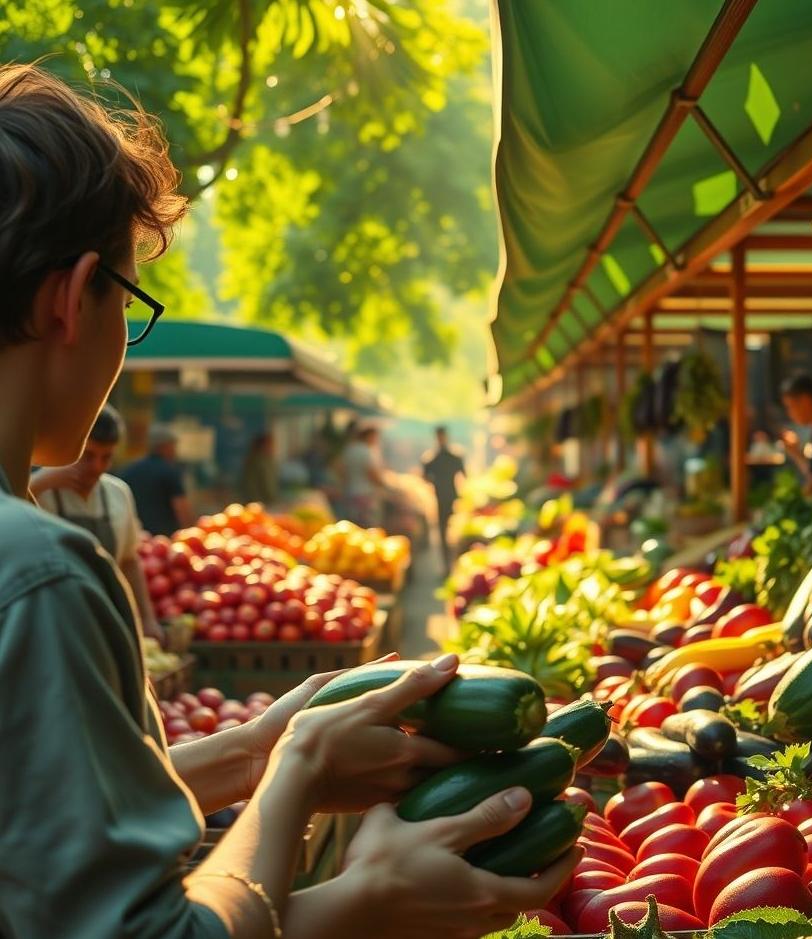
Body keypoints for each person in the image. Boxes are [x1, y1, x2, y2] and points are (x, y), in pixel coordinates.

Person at [0, 64, 576, 939]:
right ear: (75, 298)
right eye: (133, 301)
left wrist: (248, 750)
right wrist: (310, 793)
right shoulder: (40, 574)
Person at [30, 404, 164, 642]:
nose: (96, 468)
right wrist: (38, 483)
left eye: (106, 458)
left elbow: (129, 561)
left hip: (104, 622)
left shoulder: (118, 493)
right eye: (88, 456)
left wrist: (147, 619)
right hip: (50, 625)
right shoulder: (38, 491)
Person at [120, 423, 195, 536]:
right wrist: (192, 535)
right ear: (164, 446)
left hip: (137, 538)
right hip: (165, 541)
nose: (175, 451)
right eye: (173, 445)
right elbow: (181, 509)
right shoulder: (169, 472)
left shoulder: (129, 471)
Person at [422, 425, 466, 569]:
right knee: (444, 532)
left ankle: (452, 564)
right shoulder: (433, 458)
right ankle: (447, 565)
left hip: (451, 497)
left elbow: (464, 476)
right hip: (441, 498)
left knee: (452, 532)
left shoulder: (450, 456)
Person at [341, 426, 385, 528]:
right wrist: (383, 484)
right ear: (369, 436)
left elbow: (340, 470)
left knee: (352, 526)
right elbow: (372, 473)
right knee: (367, 527)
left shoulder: (350, 450)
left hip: (351, 492)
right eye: (375, 437)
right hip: (365, 494)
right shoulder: (367, 451)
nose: (376, 440)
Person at [241, 431, 279, 506]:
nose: (273, 447)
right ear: (262, 445)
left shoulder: (264, 460)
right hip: (258, 502)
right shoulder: (259, 461)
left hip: (259, 502)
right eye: (270, 444)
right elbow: (266, 485)